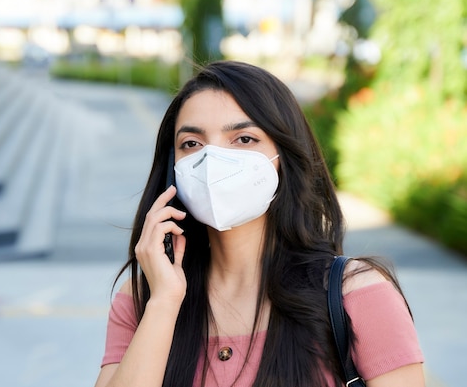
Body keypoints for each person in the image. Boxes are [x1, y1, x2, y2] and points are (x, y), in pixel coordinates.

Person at [94, 61, 425, 387]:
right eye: (192, 144)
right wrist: (164, 302)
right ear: (173, 167)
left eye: (243, 139)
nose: (213, 160)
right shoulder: (142, 298)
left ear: (284, 158)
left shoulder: (356, 295)